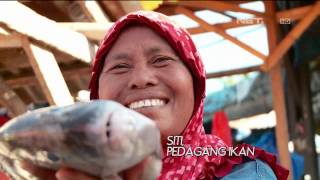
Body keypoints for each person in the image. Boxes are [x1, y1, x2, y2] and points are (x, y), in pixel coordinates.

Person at [22, 11, 289, 180]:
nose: (140, 79)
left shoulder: (244, 174)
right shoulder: (67, 171)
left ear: (195, 83)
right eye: (120, 67)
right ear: (97, 95)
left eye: (161, 60)